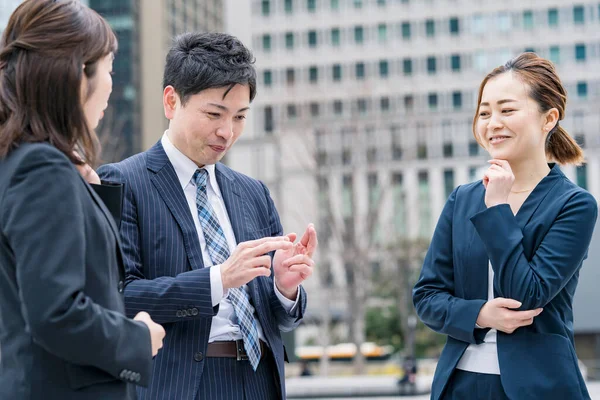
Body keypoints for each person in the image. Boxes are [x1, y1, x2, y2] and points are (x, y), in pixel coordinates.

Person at [98, 32, 318, 400]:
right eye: (214, 114)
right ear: (172, 101)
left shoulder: (253, 192)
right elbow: (118, 297)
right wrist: (219, 280)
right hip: (183, 384)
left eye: (240, 117)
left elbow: (281, 318)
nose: (226, 132)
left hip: (261, 377)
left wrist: (284, 288)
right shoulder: (122, 182)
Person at [0, 1, 166, 399]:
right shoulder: (40, 167)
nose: (111, 82)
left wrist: (87, 192)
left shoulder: (22, 161)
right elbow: (55, 313)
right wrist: (138, 337)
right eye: (109, 67)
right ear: (77, 75)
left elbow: (87, 273)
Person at [413, 52, 596, 400]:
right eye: (484, 112)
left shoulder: (574, 205)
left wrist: (497, 207)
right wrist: (479, 314)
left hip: (541, 387)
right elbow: (426, 296)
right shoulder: (462, 199)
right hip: (460, 385)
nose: (492, 122)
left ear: (549, 119)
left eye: (507, 110)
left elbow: (525, 296)